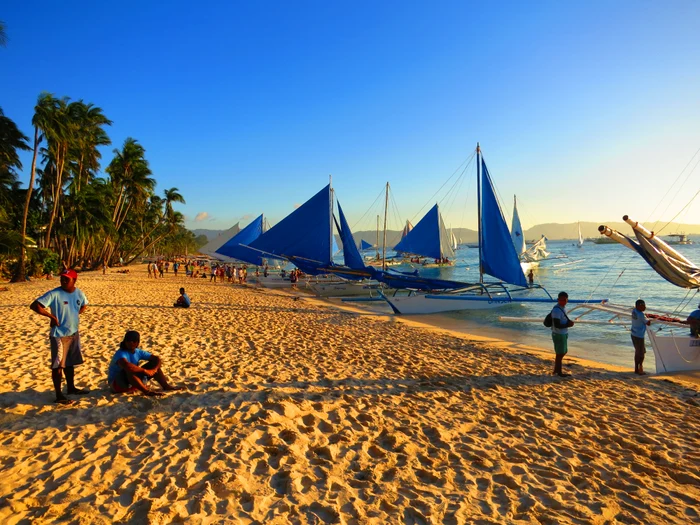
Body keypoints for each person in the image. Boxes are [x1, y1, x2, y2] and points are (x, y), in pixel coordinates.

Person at [30, 269, 90, 404]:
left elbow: (84, 304)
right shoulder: (55, 293)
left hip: (73, 333)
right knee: (58, 365)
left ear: (74, 280)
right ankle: (59, 395)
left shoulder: (79, 292)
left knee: (69, 363)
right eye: (62, 278)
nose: (63, 281)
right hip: (59, 335)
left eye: (66, 279)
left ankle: (71, 388)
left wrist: (74, 314)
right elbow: (35, 305)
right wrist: (51, 316)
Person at [107, 331, 182, 396]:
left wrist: (154, 370)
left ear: (137, 343)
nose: (131, 343)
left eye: (133, 341)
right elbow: (127, 366)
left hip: (133, 383)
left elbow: (157, 359)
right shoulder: (121, 353)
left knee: (154, 364)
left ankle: (166, 386)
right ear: (125, 342)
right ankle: (147, 392)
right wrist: (145, 371)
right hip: (117, 385)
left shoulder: (138, 352)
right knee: (130, 370)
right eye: (128, 341)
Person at [550, 291, 574, 377]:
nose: (563, 301)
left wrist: (568, 323)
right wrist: (568, 324)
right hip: (559, 334)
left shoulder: (562, 308)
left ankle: (556, 370)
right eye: (561, 300)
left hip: (562, 333)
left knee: (562, 352)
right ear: (558, 299)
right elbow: (557, 324)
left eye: (564, 300)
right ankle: (558, 372)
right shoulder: (557, 310)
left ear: (567, 300)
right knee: (560, 353)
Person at [631, 299, 651, 375]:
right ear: (638, 306)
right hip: (639, 336)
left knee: (637, 351)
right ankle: (640, 368)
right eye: (643, 306)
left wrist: (645, 316)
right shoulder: (641, 315)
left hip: (633, 334)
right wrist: (648, 319)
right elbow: (648, 323)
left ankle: (636, 368)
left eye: (645, 306)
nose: (644, 307)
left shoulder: (634, 311)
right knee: (641, 353)